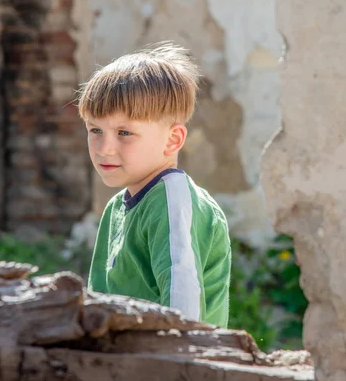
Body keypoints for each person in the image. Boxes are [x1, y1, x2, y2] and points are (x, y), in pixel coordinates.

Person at [77, 43, 231, 327]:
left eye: (124, 133)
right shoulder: (115, 208)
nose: (104, 148)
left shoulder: (172, 199)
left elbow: (182, 300)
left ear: (172, 140)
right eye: (95, 130)